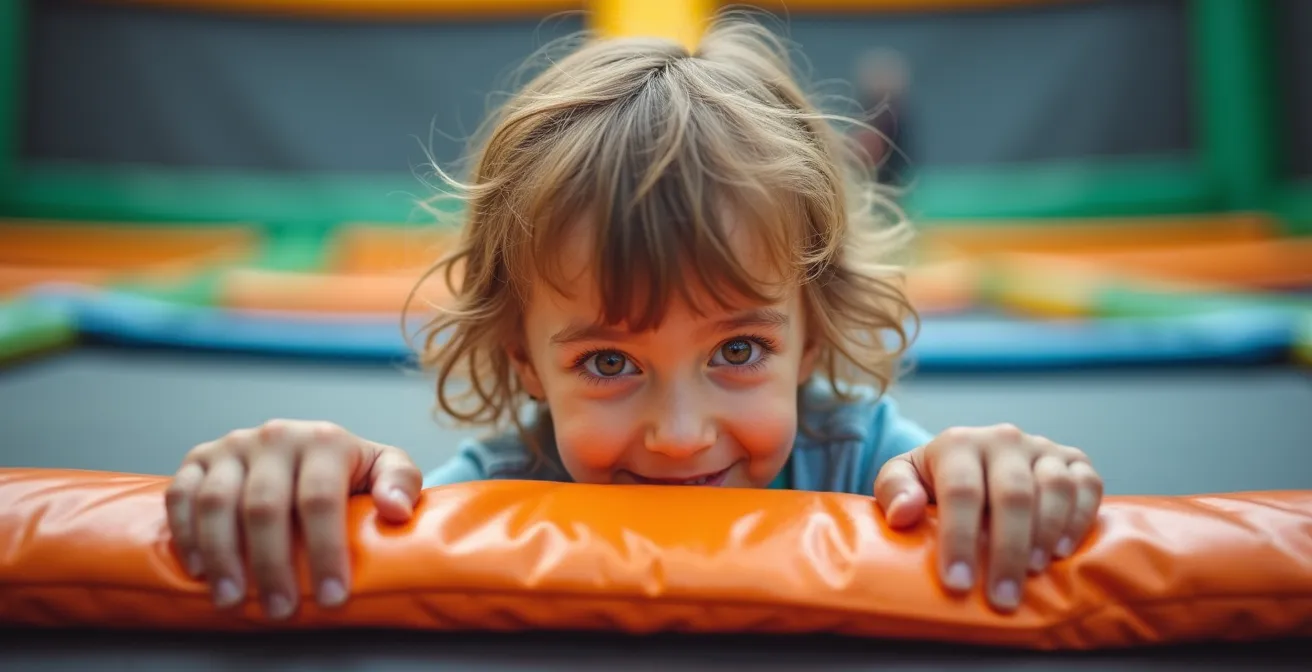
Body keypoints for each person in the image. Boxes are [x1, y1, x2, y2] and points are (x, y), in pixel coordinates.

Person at [163, 15, 1103, 624]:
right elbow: (381, 514)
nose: (682, 435)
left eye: (738, 349)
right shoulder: (498, 492)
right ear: (523, 362)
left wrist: (991, 471)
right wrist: (309, 482)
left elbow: (961, 489)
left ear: (809, 336)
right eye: (610, 362)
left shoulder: (860, 461)